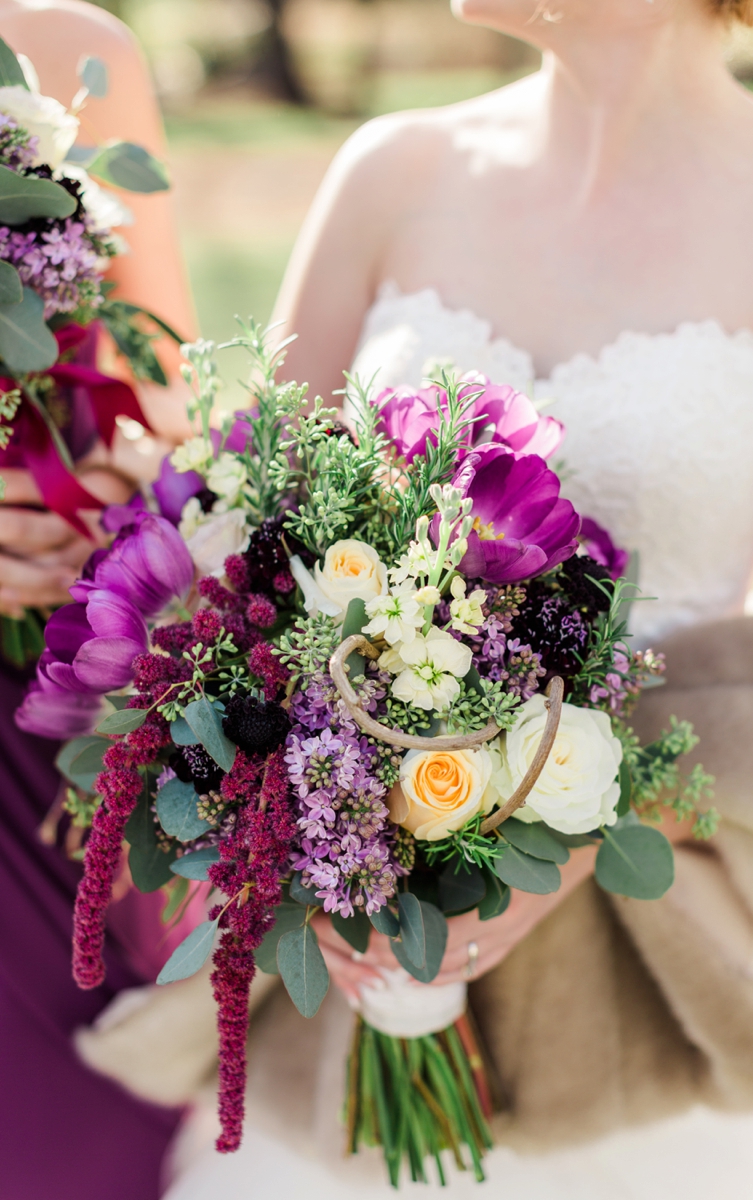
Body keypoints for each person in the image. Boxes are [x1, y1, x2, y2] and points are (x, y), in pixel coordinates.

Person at [154, 0, 753, 1196]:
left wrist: (570, 830)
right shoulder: (392, 170)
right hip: (343, 944)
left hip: (640, 968)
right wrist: (320, 815)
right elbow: (236, 523)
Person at [0, 4, 196, 1199]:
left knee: (77, 1148)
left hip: (35, 735)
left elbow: (164, 423)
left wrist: (107, 506)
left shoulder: (76, 54)